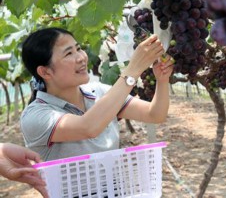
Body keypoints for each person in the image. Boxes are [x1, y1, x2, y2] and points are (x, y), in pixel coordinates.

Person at [19, 27, 173, 162]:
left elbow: (155, 114)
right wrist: (132, 70)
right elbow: (88, 127)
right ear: (45, 72)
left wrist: (162, 80)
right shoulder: (35, 116)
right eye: (68, 54)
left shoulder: (100, 92)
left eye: (78, 49)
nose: (81, 57)